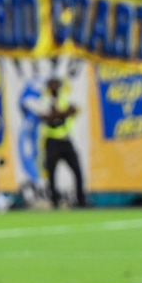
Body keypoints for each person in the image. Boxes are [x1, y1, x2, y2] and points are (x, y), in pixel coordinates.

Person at [40, 76, 87, 208]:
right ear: (48, 87)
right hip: (52, 141)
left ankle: (81, 200)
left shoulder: (64, 98)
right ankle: (54, 201)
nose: (54, 87)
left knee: (77, 171)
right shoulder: (44, 100)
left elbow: (74, 110)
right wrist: (64, 113)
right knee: (51, 173)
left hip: (65, 140)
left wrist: (60, 114)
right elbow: (47, 118)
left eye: (56, 85)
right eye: (52, 85)